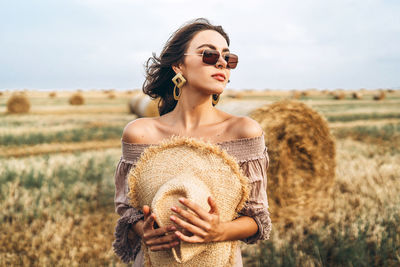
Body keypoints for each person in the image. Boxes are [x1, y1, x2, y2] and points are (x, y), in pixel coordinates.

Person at [113, 18, 271, 266]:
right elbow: (127, 210)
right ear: (178, 65)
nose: (221, 62)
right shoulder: (139, 133)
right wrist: (144, 230)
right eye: (208, 55)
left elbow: (258, 217)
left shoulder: (244, 131)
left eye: (229, 59)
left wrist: (220, 231)